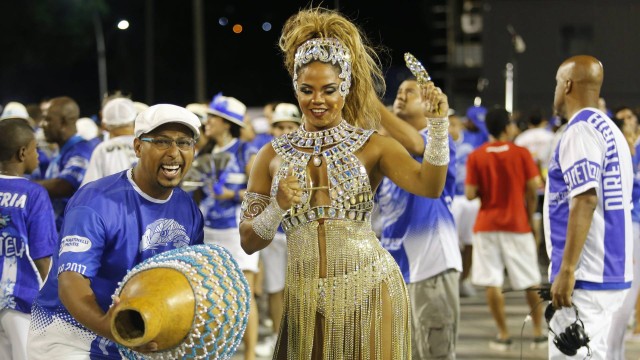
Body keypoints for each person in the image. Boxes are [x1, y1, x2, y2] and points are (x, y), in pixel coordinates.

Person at [239, 7, 449, 359]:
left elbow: (430, 185)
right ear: (295, 88)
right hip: (304, 297)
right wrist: (277, 208)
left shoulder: (373, 146)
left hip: (370, 285)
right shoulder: (270, 156)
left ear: (346, 88)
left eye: (329, 90)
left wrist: (439, 126)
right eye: (307, 90)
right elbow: (248, 242)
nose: (317, 100)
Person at [28, 104, 205, 359]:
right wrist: (111, 328)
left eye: (184, 143)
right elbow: (71, 283)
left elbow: (188, 280)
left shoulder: (188, 209)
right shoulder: (95, 201)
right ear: (137, 147)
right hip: (69, 335)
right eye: (162, 142)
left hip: (136, 333)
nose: (174, 152)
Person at [544, 55, 633, 359]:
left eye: (557, 82)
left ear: (567, 84)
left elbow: (585, 199)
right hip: (608, 271)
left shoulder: (580, 130)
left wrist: (567, 270)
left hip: (589, 276)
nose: (555, 90)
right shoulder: (610, 129)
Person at [376, 77, 461, 359]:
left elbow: (414, 143)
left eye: (409, 92)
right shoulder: (389, 151)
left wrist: (371, 104)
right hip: (398, 273)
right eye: (398, 91)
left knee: (434, 353)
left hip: (431, 268)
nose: (400, 95)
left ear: (428, 104)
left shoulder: (438, 139)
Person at [465, 107, 545, 350]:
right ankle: (538, 333)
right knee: (530, 279)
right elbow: (533, 186)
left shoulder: (476, 156)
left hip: (486, 224)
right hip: (517, 224)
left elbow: (469, 194)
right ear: (506, 127)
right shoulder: (520, 153)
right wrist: (530, 216)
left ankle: (503, 334)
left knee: (492, 281)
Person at [199, 93, 259, 360]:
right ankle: (215, 351)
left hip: (238, 231)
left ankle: (250, 356)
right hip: (209, 229)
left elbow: (263, 190)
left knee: (244, 293)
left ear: (226, 123)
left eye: (212, 117)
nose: (207, 121)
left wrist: (233, 196)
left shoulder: (245, 150)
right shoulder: (205, 151)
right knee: (212, 294)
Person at [0, 119, 57, 360]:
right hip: (23, 299)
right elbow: (42, 258)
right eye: (36, 149)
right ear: (23, 152)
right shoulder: (34, 194)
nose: (39, 155)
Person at [254, 102, 301, 358]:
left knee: (300, 290)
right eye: (279, 126)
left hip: (301, 235)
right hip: (274, 233)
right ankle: (276, 337)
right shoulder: (264, 157)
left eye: (289, 126)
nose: (284, 131)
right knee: (274, 288)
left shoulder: (312, 155)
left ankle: (299, 338)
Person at [34, 96, 97, 230]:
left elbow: (64, 185)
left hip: (72, 233)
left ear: (63, 122)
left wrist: (23, 185)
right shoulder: (63, 150)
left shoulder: (82, 150)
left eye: (48, 119)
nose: (42, 124)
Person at [607, 105, 640, 359]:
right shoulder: (619, 156)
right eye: (624, 123)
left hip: (631, 228)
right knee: (622, 298)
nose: (629, 126)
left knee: (626, 300)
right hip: (628, 228)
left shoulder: (633, 151)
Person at [450, 105, 488, 297]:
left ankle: (464, 279)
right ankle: (453, 280)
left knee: (470, 242)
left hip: (470, 198)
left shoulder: (473, 139)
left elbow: (486, 133)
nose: (451, 127)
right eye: (448, 123)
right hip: (451, 198)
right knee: (452, 243)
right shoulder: (439, 142)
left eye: (454, 123)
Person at [81, 97, 139, 186]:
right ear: (135, 118)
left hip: (115, 199)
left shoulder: (102, 150)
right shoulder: (147, 145)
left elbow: (89, 190)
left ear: (104, 125)